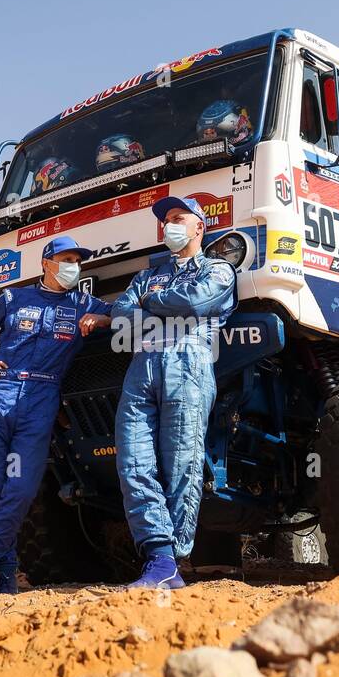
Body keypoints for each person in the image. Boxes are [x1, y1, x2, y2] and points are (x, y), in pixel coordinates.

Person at [0, 236, 112, 595]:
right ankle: (7, 574)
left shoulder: (82, 303)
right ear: (46, 263)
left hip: (41, 400)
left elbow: (124, 311)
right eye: (66, 258)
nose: (73, 265)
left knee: (21, 488)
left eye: (77, 260)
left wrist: (102, 318)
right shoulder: (13, 298)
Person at [112, 196, 237, 589]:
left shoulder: (218, 270)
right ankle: (159, 557)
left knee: (181, 462)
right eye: (165, 220)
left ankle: (173, 556)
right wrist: (153, 305)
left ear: (199, 226)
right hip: (141, 367)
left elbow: (197, 302)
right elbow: (120, 315)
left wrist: (150, 304)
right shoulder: (146, 276)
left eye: (177, 218)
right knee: (133, 460)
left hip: (189, 364)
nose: (169, 225)